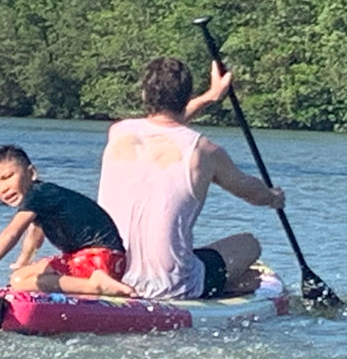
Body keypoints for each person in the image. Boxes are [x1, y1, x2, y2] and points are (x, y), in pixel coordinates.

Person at [96, 56, 285, 299]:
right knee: (249, 244)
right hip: (171, 285)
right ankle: (226, 286)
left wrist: (210, 97)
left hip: (110, 273)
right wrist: (272, 197)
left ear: (144, 95)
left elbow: (164, 127)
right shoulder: (204, 152)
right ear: (186, 96)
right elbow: (253, 193)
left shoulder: (119, 131)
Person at [0, 146, 135, 296]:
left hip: (96, 260)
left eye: (8, 177)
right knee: (29, 271)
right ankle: (96, 282)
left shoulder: (36, 194)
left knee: (19, 280)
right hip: (109, 261)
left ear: (31, 173)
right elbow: (35, 236)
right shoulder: (44, 195)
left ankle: (94, 285)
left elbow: (11, 233)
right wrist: (23, 260)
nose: (3, 188)